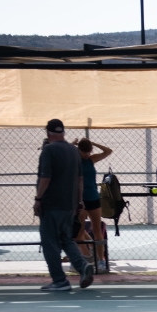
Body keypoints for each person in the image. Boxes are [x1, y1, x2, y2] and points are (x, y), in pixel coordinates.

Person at [36, 119, 93, 292]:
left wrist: (38, 199)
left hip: (51, 204)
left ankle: (59, 280)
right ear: (63, 132)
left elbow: (46, 177)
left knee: (50, 243)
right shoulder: (73, 151)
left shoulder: (48, 150)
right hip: (69, 204)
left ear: (48, 133)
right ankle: (82, 265)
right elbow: (80, 179)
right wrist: (79, 202)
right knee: (66, 239)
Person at [73, 138, 113, 271]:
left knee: (97, 229)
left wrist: (93, 143)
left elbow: (108, 151)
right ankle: (83, 258)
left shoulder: (91, 159)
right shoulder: (73, 158)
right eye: (83, 152)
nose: (85, 155)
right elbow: (62, 152)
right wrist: (73, 145)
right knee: (79, 231)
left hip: (93, 198)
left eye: (88, 152)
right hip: (80, 200)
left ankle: (101, 260)